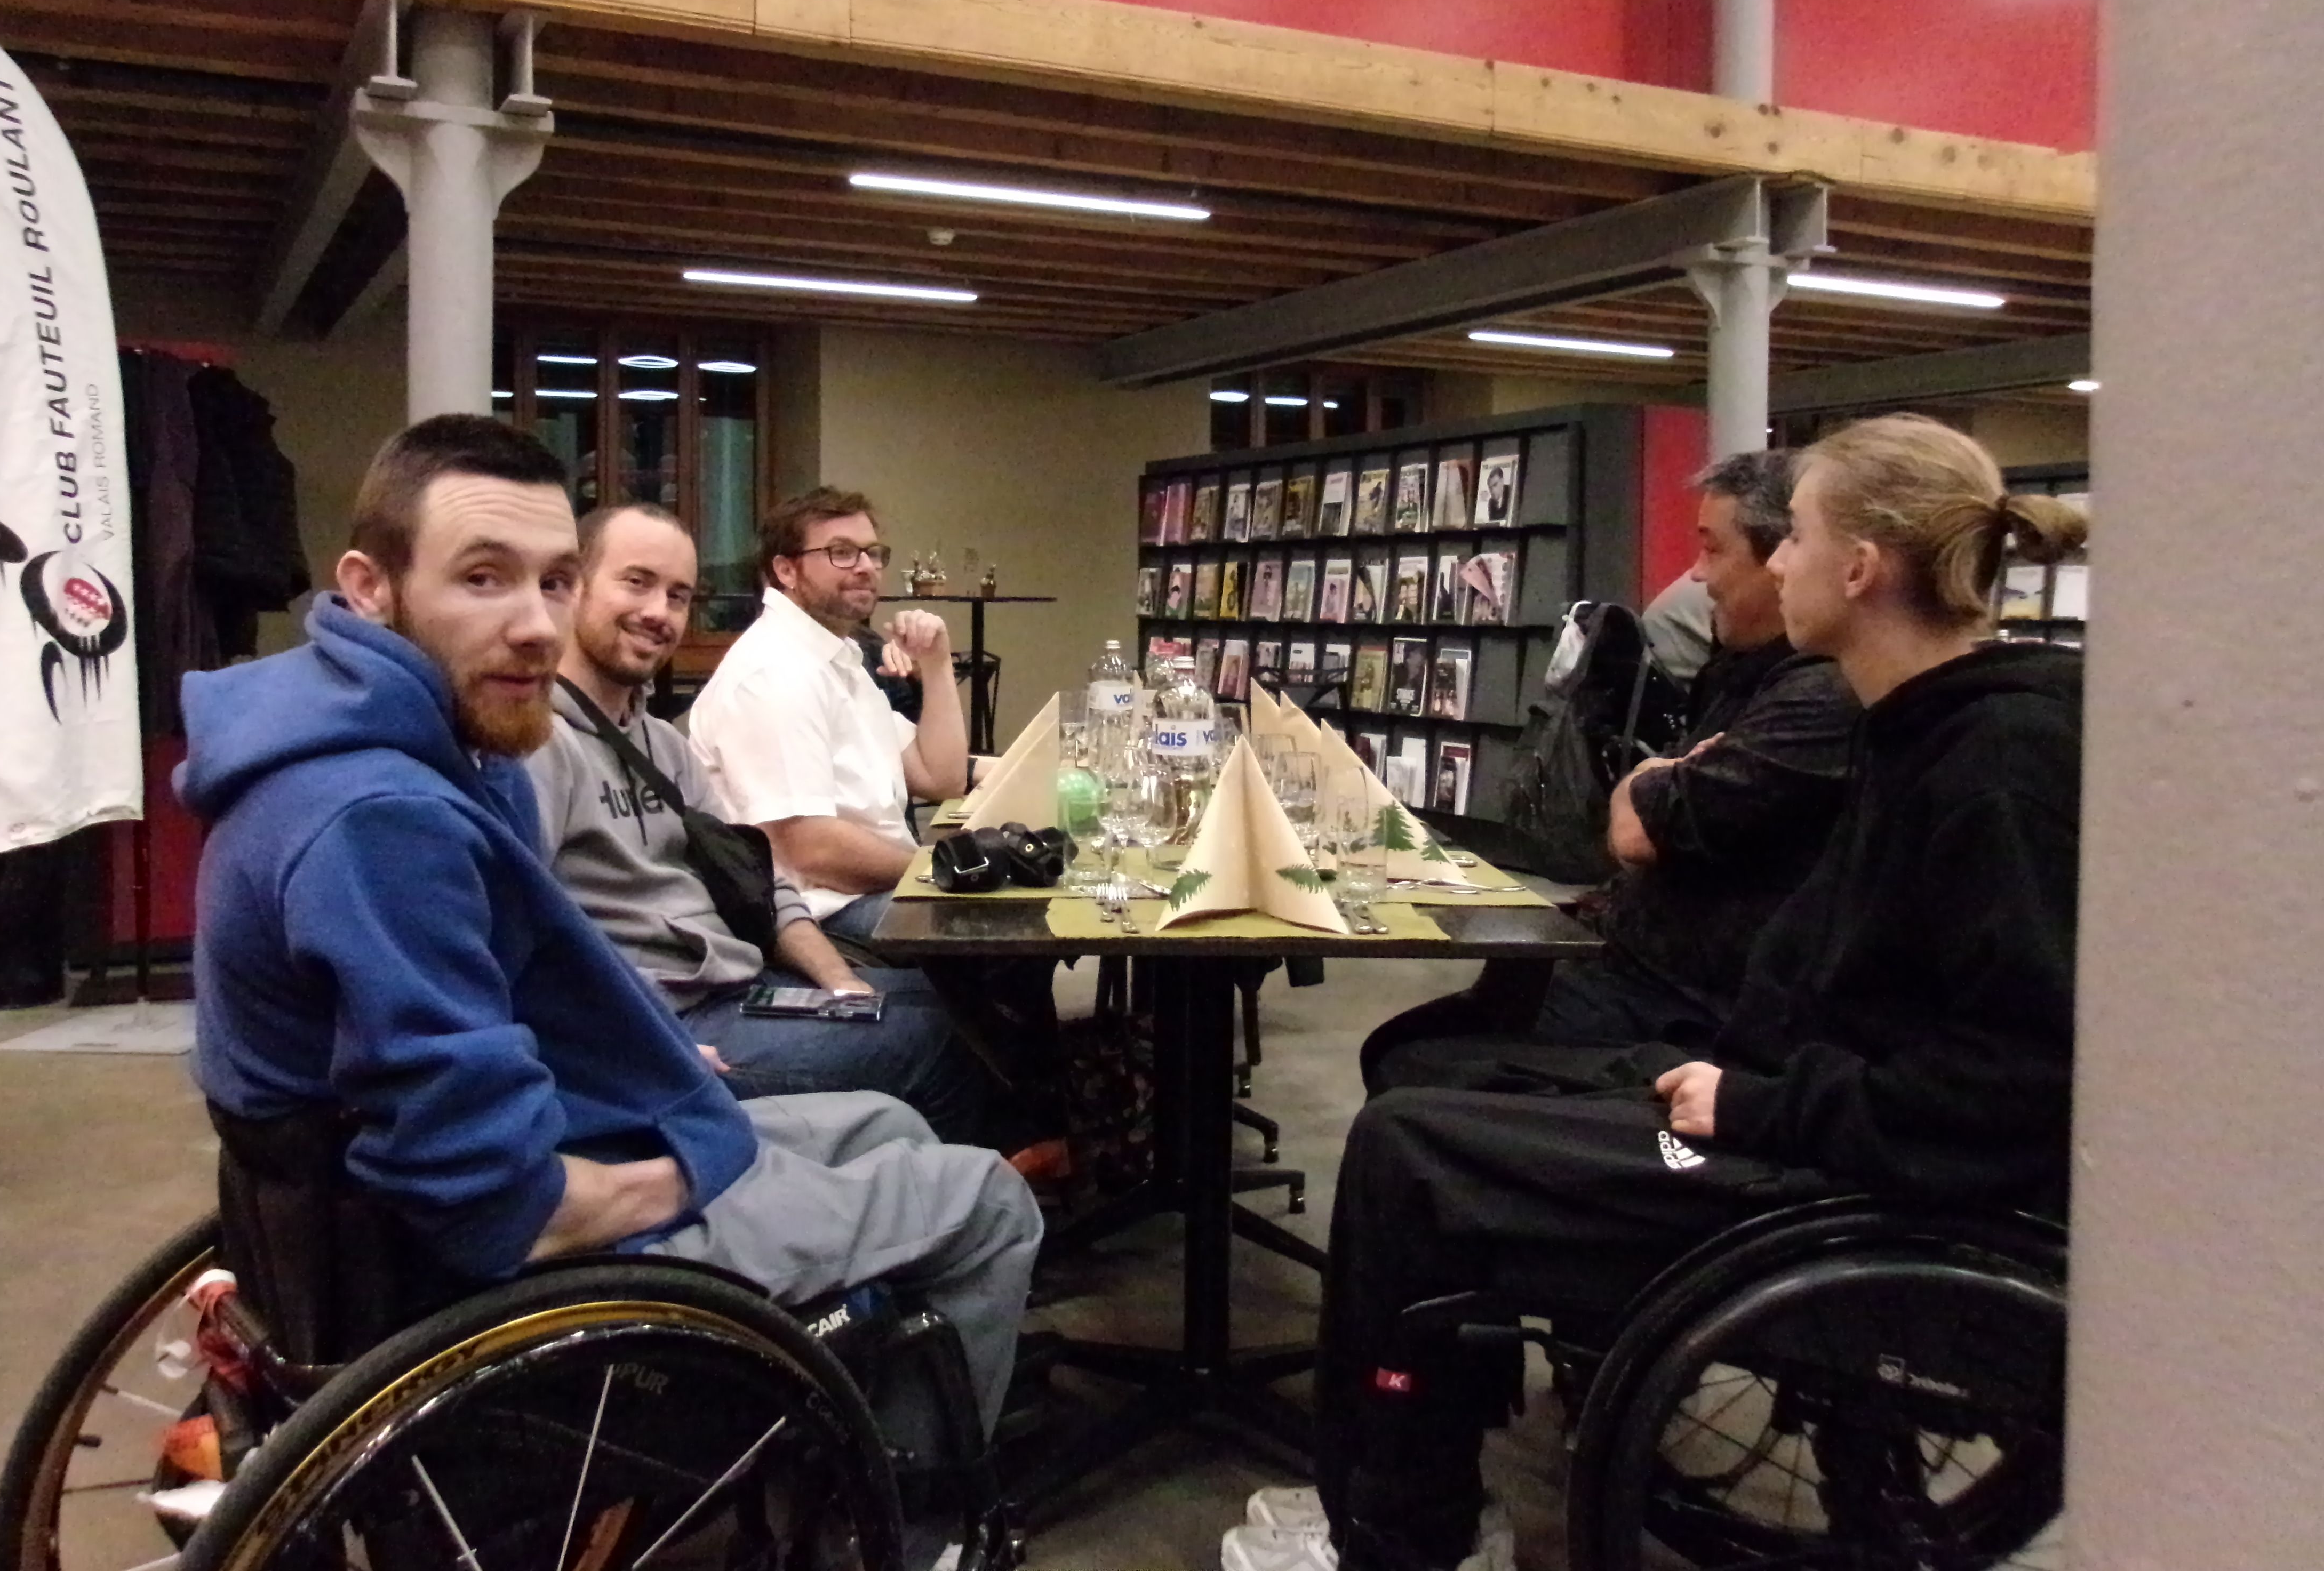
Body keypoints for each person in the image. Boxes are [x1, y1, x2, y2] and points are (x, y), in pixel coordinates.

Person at [1225, 413, 2088, 1571]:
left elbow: (2013, 1082)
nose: (1770, 562)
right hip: (1787, 1116)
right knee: (1437, 1093)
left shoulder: (1995, 763)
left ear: (1858, 568)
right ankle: (1407, 1496)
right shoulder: (1919, 729)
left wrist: (1752, 1103)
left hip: (1836, 1176)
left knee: (1409, 1153)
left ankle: (1405, 1537)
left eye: (1795, 537)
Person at [177, 419, 1040, 1485]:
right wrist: (697, 1154)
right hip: (498, 1253)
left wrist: (660, 1085)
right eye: (483, 578)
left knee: (886, 1119)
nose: (534, 625)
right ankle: (918, 1520)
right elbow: (499, 1197)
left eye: (552, 582)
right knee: (986, 1198)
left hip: (498, 1145)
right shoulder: (381, 817)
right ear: (370, 587)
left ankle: (880, 1386)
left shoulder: (415, 744)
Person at [1357, 451, 1858, 1085]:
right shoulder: (1741, 670)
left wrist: (1657, 782)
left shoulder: (1819, 697)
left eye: (1713, 550)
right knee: (1405, 1046)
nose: (1696, 574)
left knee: (1411, 1064)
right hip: (1626, 961)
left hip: (1681, 1005)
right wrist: (1663, 778)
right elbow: (1646, 811)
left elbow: (1637, 833)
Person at [525, 502, 997, 1144]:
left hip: (735, 983)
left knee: (939, 1006)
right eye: (636, 583)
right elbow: (518, 942)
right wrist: (638, 1044)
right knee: (935, 1041)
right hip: (670, 1028)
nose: (659, 612)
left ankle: (948, 1175)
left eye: (678, 596)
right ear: (570, 587)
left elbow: (761, 878)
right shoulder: (536, 748)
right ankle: (957, 1194)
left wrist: (840, 985)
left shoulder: (660, 745)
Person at [689, 487, 968, 939]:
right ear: (786, 570)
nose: (865, 567)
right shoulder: (775, 672)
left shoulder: (836, 658)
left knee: (1020, 908)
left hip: (875, 891)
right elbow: (813, 850)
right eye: (842, 553)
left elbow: (941, 779)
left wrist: (936, 661)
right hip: (823, 915)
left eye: (873, 553)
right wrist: (937, 870)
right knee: (997, 922)